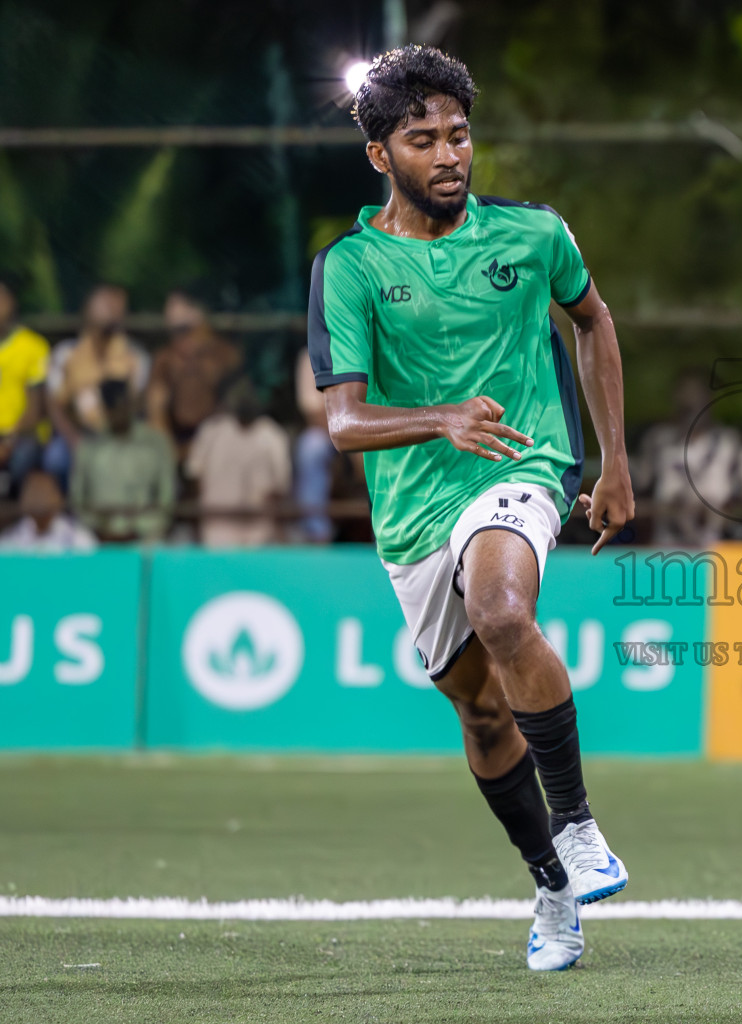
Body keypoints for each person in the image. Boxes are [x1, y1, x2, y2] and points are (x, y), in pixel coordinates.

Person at [309, 45, 634, 973]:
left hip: (520, 462)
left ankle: (577, 828)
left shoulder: (533, 235)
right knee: (482, 717)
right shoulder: (351, 268)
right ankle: (551, 884)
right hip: (412, 511)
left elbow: (594, 319)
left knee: (501, 609)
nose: (449, 155)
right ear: (381, 156)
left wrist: (612, 461)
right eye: (423, 140)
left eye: (459, 135)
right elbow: (342, 422)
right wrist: (438, 418)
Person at [631, 370, 742, 546]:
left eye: (696, 393)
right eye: (684, 393)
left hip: (722, 552)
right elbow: (637, 492)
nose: (689, 400)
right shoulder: (658, 441)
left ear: (709, 399)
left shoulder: (733, 443)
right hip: (665, 552)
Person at [46, 284, 151, 489]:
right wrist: (74, 440)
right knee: (56, 458)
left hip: (120, 436)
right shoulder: (66, 354)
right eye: (107, 304)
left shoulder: (136, 357)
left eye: (119, 306)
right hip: (77, 435)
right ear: (87, 310)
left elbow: (138, 407)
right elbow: (55, 405)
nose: (114, 311)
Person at [185, 378, 291, 547]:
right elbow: (193, 475)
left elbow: (280, 488)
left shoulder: (273, 435)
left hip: (257, 529)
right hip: (217, 523)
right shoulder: (212, 430)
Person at [71, 379, 176, 542]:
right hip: (98, 540)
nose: (119, 412)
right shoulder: (90, 447)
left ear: (131, 404)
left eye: (123, 405)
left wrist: (140, 530)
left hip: (145, 539)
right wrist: (98, 529)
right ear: (105, 409)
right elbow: (78, 500)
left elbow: (166, 499)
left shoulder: (155, 443)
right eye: (113, 407)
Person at [146, 287, 243, 457]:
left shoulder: (224, 355)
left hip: (218, 443)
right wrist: (169, 450)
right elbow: (156, 406)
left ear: (197, 312)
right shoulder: (165, 359)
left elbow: (234, 405)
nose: (168, 312)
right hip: (176, 443)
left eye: (175, 305)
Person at [0, 278, 53, 498]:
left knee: (23, 457)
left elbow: (35, 411)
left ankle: (18, 519)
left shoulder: (33, 346)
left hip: (22, 436)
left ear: (12, 303)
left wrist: (8, 442)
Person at [293, 349, 339, 542]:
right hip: (334, 434)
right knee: (311, 446)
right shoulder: (313, 352)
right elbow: (314, 413)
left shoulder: (372, 345)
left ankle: (386, 535)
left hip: (372, 432)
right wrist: (350, 438)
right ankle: (316, 533)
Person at [0, 470, 96, 552]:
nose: (38, 497)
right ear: (22, 499)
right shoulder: (9, 540)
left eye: (44, 491)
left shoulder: (80, 540)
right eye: (34, 491)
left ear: (59, 498)